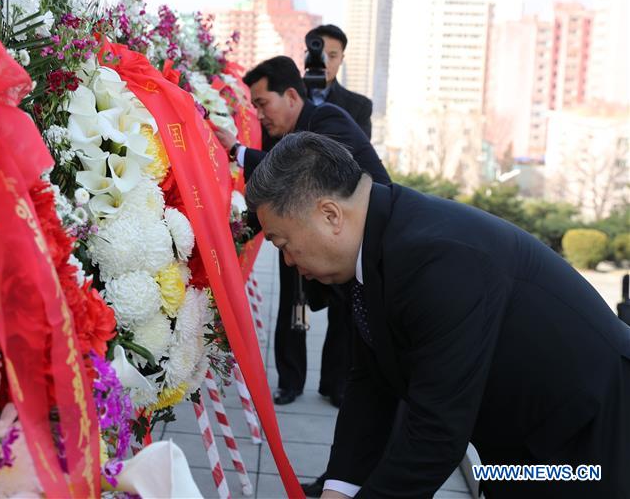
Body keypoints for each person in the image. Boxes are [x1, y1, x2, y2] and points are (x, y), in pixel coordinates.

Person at [246, 132, 630, 499]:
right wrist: (340, 486)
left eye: (283, 241)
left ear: (330, 214)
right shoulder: (374, 245)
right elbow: (371, 381)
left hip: (590, 441)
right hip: (525, 440)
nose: (288, 259)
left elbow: (435, 432)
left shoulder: (437, 258)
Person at [212, 56, 390, 407]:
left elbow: (298, 174)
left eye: (263, 104)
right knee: (292, 309)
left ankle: (336, 386)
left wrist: (236, 150)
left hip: (353, 240)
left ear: (291, 96)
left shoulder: (327, 119)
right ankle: (290, 382)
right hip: (304, 230)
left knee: (348, 316)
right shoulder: (285, 132)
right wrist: (230, 234)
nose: (259, 115)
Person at [307, 24, 373, 140]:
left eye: (332, 56)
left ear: (341, 59)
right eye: (319, 55)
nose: (325, 63)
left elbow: (360, 153)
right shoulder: (289, 97)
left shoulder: (359, 107)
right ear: (307, 54)